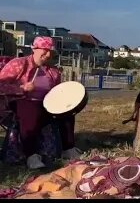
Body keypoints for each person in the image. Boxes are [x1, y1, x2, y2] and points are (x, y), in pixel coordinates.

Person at [0, 36, 80, 169]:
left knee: (67, 112)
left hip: (44, 104)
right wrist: (21, 88)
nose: (48, 54)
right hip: (18, 101)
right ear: (34, 49)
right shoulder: (19, 64)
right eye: (45, 50)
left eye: (51, 51)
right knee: (31, 109)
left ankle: (68, 148)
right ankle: (31, 155)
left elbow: (55, 92)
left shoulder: (53, 72)